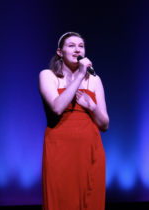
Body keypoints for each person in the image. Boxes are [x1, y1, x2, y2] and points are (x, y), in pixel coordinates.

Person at [39, 32, 109, 210]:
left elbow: (104, 125)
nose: (77, 49)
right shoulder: (48, 75)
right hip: (59, 149)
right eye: (71, 45)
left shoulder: (94, 80)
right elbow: (57, 107)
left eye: (81, 46)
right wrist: (79, 76)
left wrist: (92, 106)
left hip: (90, 149)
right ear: (60, 52)